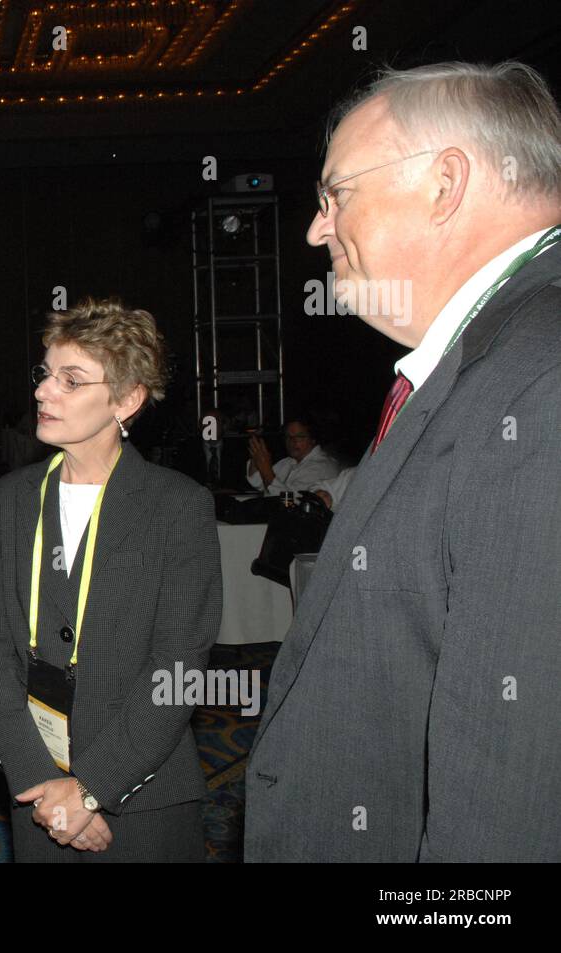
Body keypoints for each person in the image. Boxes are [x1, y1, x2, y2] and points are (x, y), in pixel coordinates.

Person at [246, 62, 561, 862]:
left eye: (335, 194)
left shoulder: (542, 373)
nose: (317, 230)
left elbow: (512, 783)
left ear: (444, 182)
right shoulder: (494, 354)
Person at [0, 298, 222, 862]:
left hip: (144, 792)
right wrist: (42, 781)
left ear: (126, 400)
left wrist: (90, 789)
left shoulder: (177, 507)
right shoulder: (7, 500)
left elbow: (178, 670)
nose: (42, 391)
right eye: (45, 374)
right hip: (33, 784)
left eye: (71, 379)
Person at [245, 418, 340, 495]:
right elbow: (258, 482)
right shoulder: (289, 462)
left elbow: (290, 503)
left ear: (313, 439)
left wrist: (266, 470)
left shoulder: (322, 466)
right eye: (288, 437)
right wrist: (256, 458)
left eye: (299, 436)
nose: (293, 442)